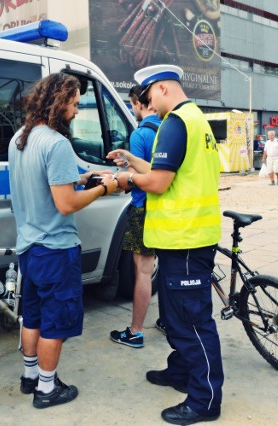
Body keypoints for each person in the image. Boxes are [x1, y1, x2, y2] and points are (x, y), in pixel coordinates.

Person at [108, 64, 223, 425]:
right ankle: (181, 372)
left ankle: (205, 400)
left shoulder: (175, 122)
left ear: (160, 89)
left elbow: (157, 183)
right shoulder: (195, 119)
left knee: (191, 321)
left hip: (185, 238)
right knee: (174, 317)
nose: (147, 105)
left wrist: (124, 178)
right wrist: (131, 160)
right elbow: (164, 170)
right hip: (183, 238)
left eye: (147, 98)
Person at [8, 73, 119, 409]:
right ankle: (46, 389)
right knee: (55, 325)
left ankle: (30, 377)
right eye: (73, 103)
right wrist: (104, 188)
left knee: (33, 317)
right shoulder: (56, 143)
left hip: (29, 247)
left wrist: (83, 177)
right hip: (56, 250)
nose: (76, 111)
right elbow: (66, 203)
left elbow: (51, 182)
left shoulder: (20, 139)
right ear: (58, 102)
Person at [109, 85, 162, 349]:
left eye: (132, 104)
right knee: (168, 266)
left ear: (138, 103)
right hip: (166, 209)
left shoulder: (140, 134)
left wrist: (122, 178)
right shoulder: (167, 129)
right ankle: (167, 320)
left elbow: (138, 181)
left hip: (143, 209)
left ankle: (136, 331)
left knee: (143, 270)